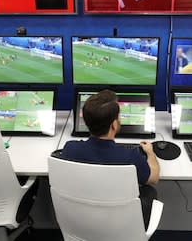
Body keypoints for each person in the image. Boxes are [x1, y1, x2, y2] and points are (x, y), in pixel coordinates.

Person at [61, 90, 160, 227]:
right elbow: (154, 177)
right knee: (149, 190)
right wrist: (150, 153)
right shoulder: (131, 158)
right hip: (119, 224)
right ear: (114, 125)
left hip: (82, 221)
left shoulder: (69, 149)